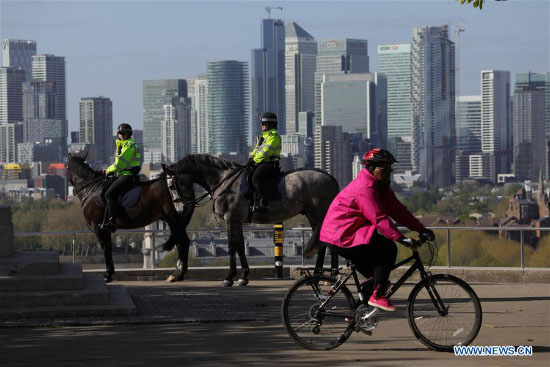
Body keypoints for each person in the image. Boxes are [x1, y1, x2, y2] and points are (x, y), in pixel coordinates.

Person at [319, 148, 435, 312]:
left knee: (379, 277)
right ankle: (377, 296)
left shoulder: (381, 187)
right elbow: (378, 218)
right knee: (387, 249)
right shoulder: (365, 188)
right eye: (384, 169)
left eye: (390, 169)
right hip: (340, 236)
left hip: (350, 233)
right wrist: (400, 238)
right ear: (372, 169)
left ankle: (359, 314)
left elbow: (398, 211)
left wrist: (421, 229)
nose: (388, 173)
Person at [100, 123, 141, 232]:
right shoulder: (121, 145)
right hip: (121, 174)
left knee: (109, 194)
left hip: (127, 175)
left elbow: (119, 165)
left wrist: (108, 170)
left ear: (128, 134)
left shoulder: (129, 146)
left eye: (123, 133)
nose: (120, 135)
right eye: (119, 133)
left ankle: (112, 222)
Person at [247, 112, 281, 211]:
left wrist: (254, 161)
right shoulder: (263, 137)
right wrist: (251, 157)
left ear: (270, 124)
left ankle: (263, 202)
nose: (262, 125)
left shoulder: (274, 137)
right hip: (260, 162)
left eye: (264, 123)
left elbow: (265, 152)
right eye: (262, 123)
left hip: (270, 164)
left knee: (255, 178)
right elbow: (256, 150)